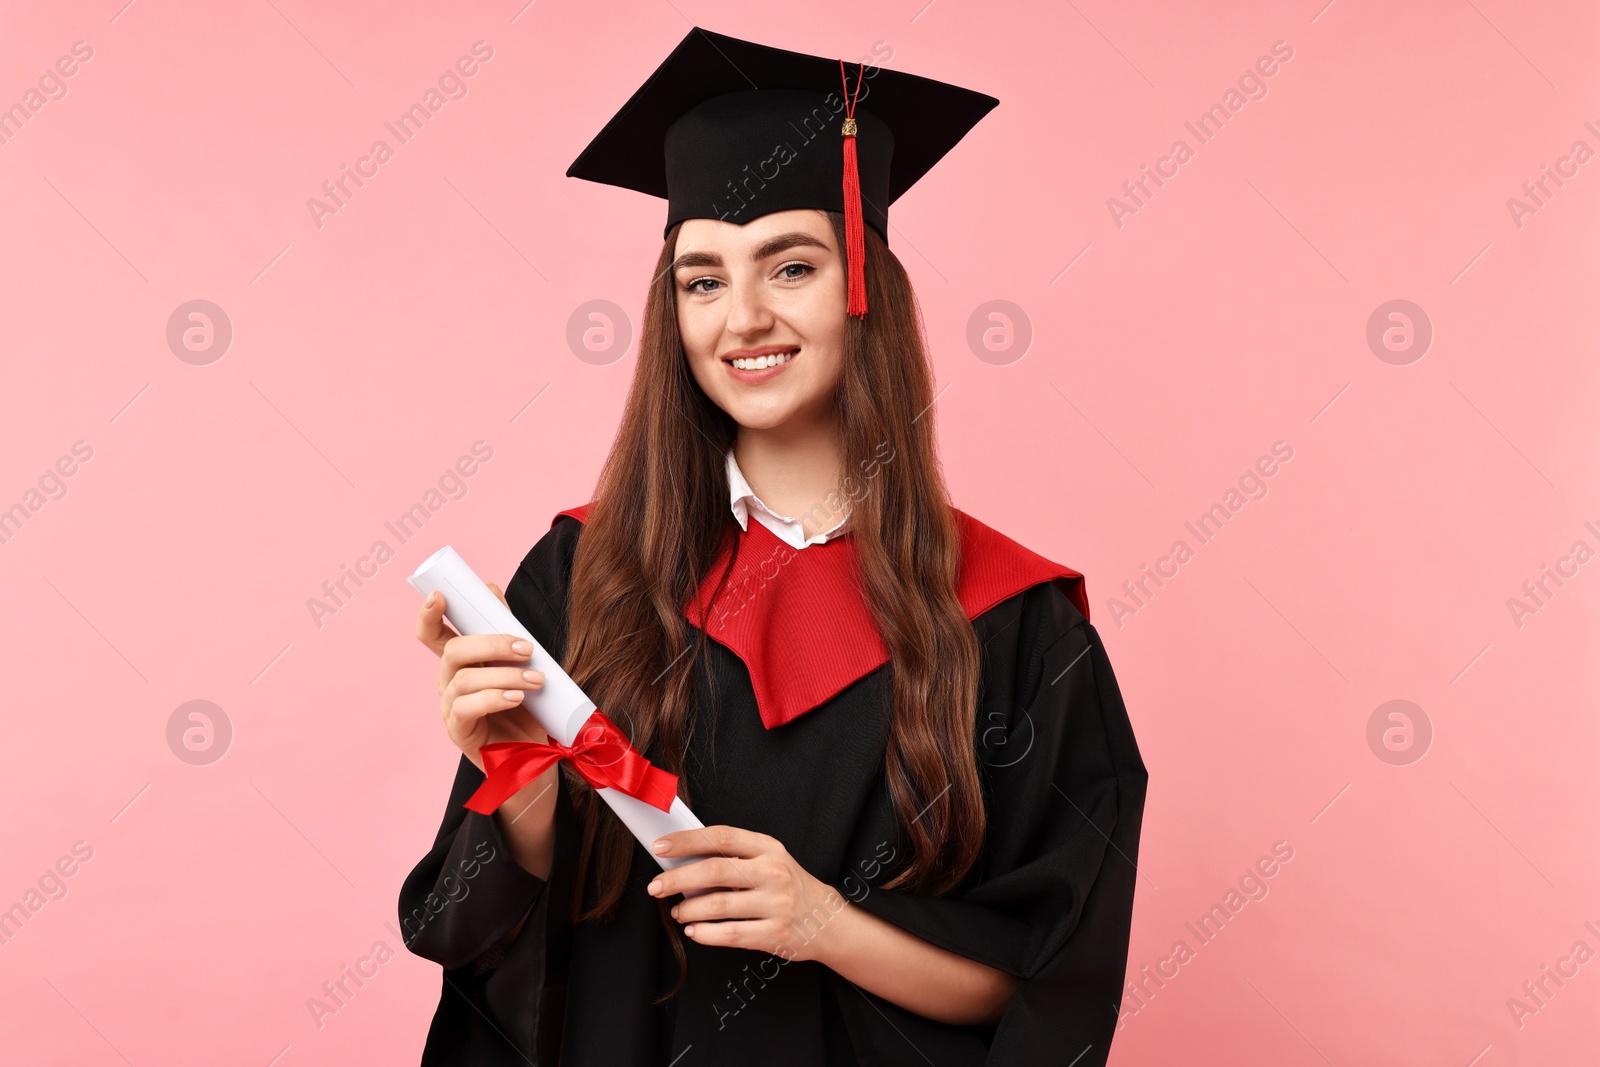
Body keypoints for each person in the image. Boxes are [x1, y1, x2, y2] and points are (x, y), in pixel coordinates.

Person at [400, 26, 1148, 1067]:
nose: (741, 316)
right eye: (700, 281)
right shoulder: (581, 579)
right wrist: (515, 787)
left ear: (863, 291)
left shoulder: (1017, 624)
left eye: (788, 265)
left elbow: (1044, 983)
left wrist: (821, 923)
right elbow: (482, 940)